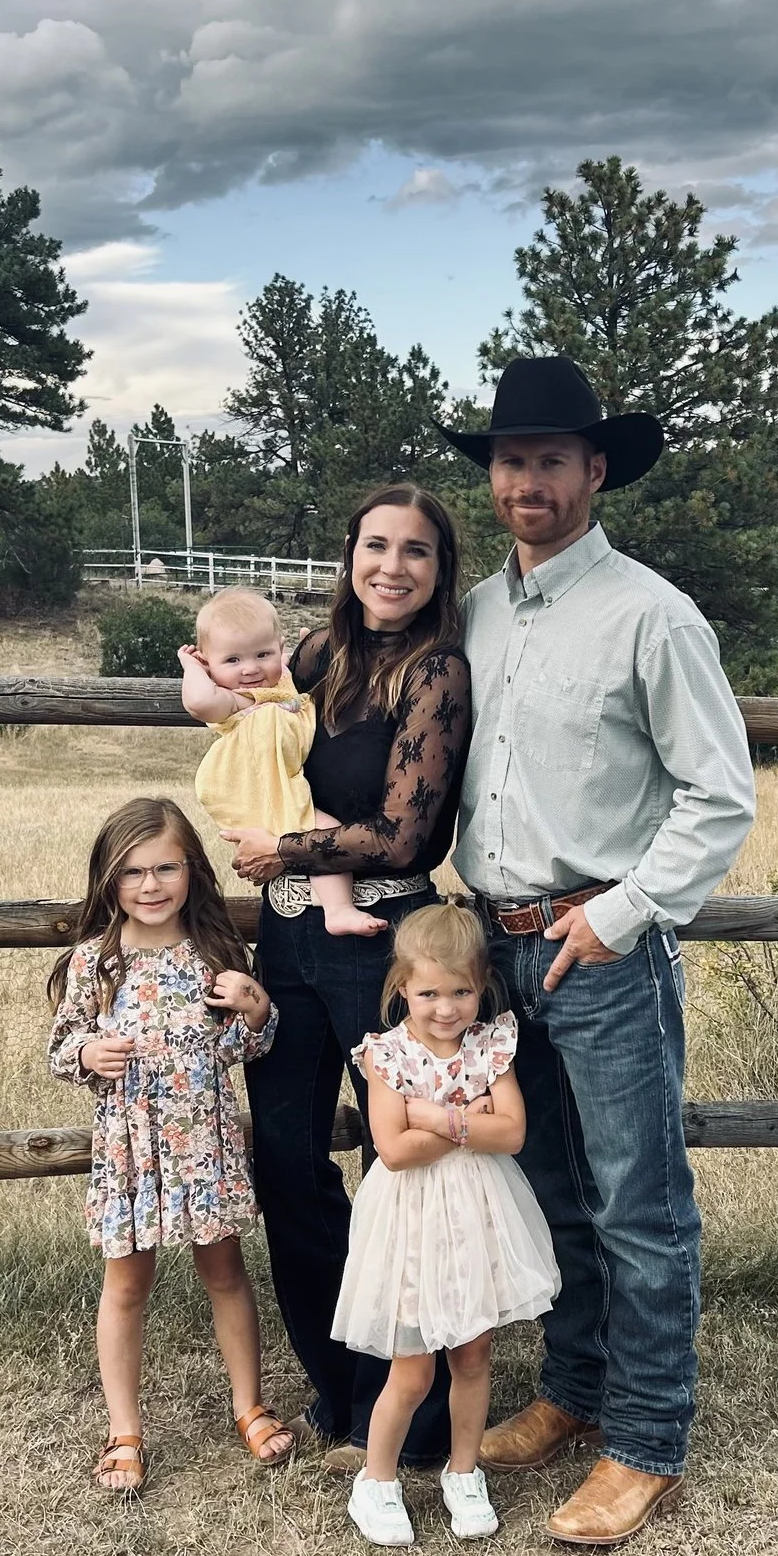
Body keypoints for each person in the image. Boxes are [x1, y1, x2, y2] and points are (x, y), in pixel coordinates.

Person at [441, 355, 757, 1547]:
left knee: (638, 1204)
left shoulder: (651, 615)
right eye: (510, 461)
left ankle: (645, 1439)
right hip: (495, 947)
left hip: (602, 948)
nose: (528, 480)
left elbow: (718, 797)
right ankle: (573, 1392)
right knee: (550, 1190)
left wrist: (616, 914)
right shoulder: (471, 611)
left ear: (595, 470)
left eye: (551, 461)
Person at [218, 484, 472, 1471]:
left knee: (396, 1166)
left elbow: (406, 830)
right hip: (286, 940)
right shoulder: (316, 657)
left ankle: (396, 1412)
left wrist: (284, 845)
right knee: (285, 1163)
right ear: (349, 554)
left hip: (387, 940)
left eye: (416, 551)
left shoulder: (436, 672)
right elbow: (237, 720)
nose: (392, 566)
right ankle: (337, 1380)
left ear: (439, 569)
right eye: (376, 545)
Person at [45, 795, 292, 1495]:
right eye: (132, 872)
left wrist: (258, 1011)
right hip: (132, 1152)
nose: (150, 886)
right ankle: (125, 1428)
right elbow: (61, 1048)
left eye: (165, 868)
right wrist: (89, 1050)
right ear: (108, 880)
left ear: (192, 871)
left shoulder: (214, 954)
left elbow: (244, 1046)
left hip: (202, 1144)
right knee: (127, 1284)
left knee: (225, 1271)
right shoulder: (98, 961)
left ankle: (249, 1403)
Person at [333, 904, 559, 1546]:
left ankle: (463, 1473)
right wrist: (460, 1121)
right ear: (401, 985)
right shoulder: (387, 1056)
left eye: (461, 991)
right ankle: (377, 1481)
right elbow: (395, 1150)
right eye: (428, 992)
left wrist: (430, 1118)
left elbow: (511, 1133)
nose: (445, 1007)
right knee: (413, 1368)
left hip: (477, 1213)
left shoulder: (491, 1046)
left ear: (481, 985)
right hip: (410, 1220)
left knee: (473, 1352)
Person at [180, 587, 382, 938]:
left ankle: (329, 905)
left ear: (280, 648)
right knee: (326, 833)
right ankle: (338, 910)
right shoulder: (233, 700)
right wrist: (191, 667)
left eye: (262, 653)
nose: (250, 669)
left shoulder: (281, 684)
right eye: (232, 660)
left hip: (284, 786)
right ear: (210, 665)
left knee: (319, 833)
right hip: (261, 793)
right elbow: (198, 702)